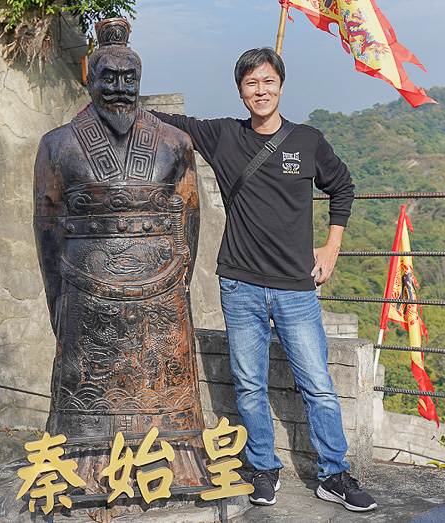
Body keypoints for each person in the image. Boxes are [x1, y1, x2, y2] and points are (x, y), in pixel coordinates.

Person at [150, 47, 377, 512]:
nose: (261, 91)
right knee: (249, 383)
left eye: (268, 81)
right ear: (241, 91)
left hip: (296, 287)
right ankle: (263, 467)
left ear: (280, 85)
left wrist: (331, 247)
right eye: (251, 84)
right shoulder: (223, 137)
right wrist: (109, 106)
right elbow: (167, 120)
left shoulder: (308, 141)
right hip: (239, 284)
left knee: (317, 383)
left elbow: (343, 188)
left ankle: (333, 474)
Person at [33, 17, 208, 504]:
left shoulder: (174, 142)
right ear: (90, 78)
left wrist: (178, 279)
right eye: (108, 77)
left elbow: (188, 220)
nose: (118, 88)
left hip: (162, 279)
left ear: (140, 80)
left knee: (163, 381)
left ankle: (175, 464)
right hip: (85, 284)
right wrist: (57, 297)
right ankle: (87, 466)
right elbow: (47, 227)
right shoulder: (58, 144)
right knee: (88, 386)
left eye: (128, 78)